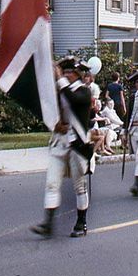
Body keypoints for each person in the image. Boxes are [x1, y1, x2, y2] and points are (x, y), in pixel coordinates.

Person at [31, 57, 95, 239]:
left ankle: (81, 223)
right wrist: (53, 124)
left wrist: (59, 78)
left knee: (79, 186)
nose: (66, 75)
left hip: (77, 143)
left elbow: (73, 99)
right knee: (52, 183)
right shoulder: (60, 90)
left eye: (70, 72)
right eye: (65, 72)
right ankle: (48, 224)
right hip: (59, 140)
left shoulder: (84, 92)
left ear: (79, 75)